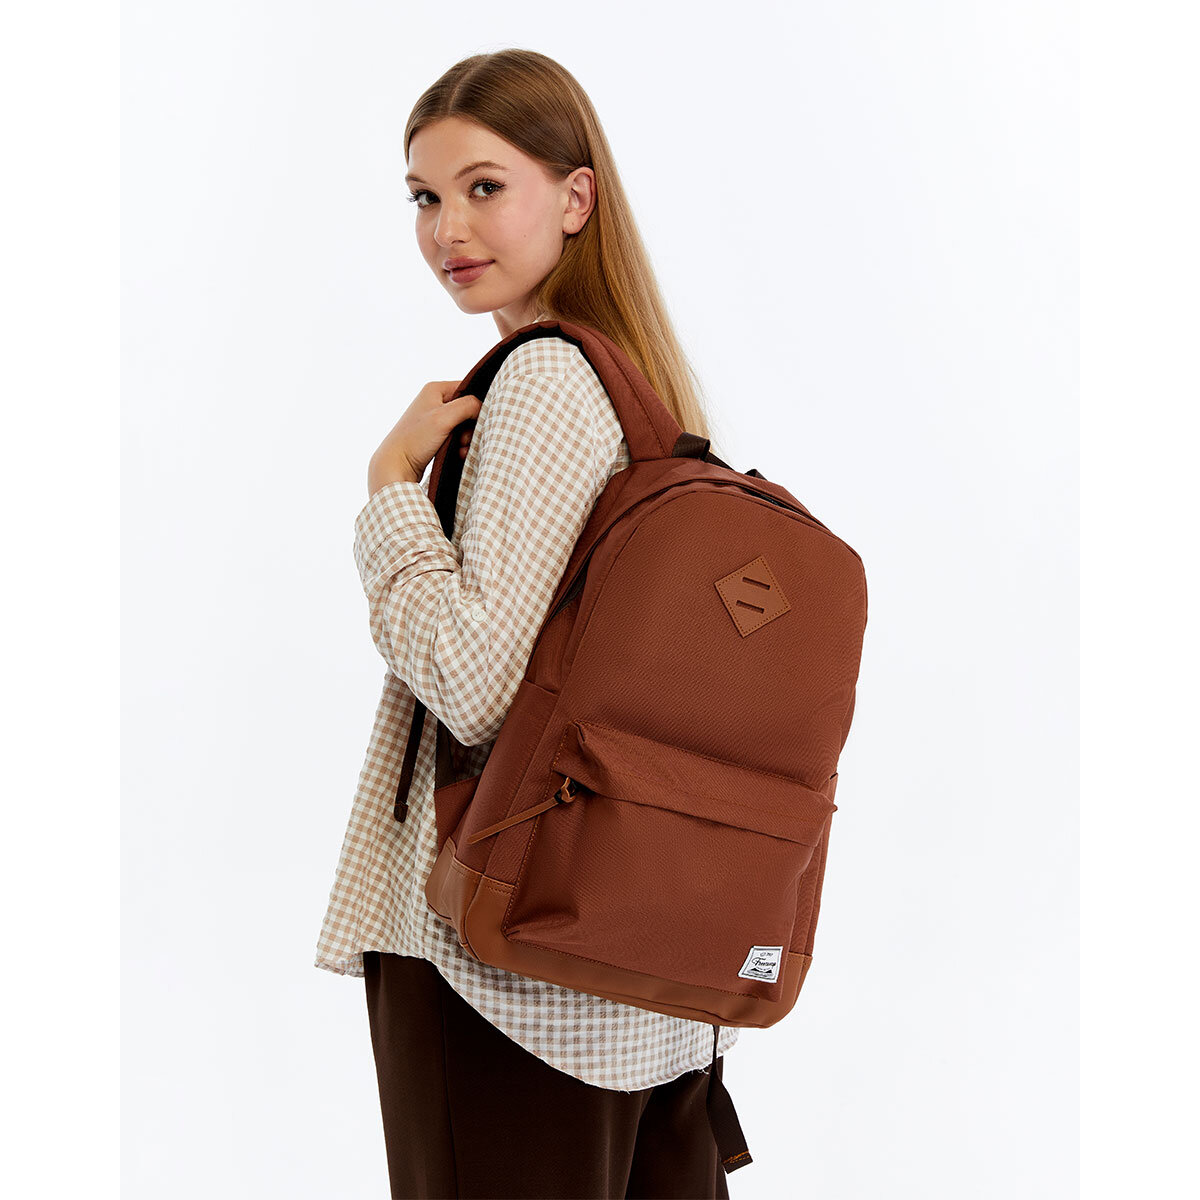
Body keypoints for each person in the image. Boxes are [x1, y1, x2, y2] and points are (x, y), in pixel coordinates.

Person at [314, 48, 743, 1199]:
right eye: (424, 195)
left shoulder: (544, 383)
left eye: (484, 186)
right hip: (643, 981)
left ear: (575, 197)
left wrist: (389, 490)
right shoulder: (645, 393)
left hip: (496, 969)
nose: (447, 228)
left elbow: (472, 684)